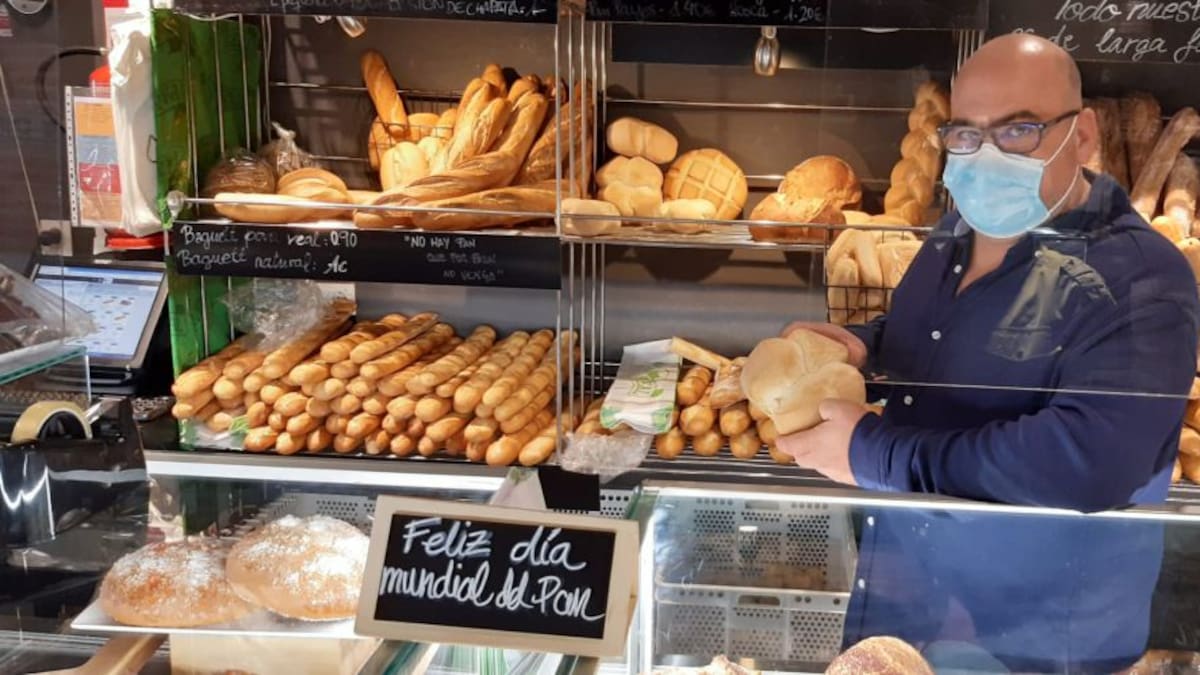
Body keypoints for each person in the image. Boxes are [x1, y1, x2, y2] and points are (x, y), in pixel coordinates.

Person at [779, 34, 1200, 672]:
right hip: (909, 600)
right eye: (966, 135)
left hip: (1033, 638)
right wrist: (866, 346)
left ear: (1082, 135)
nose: (984, 158)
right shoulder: (964, 226)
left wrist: (874, 452)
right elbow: (947, 334)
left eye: (1019, 130)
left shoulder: (1146, 281)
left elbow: (1084, 463)